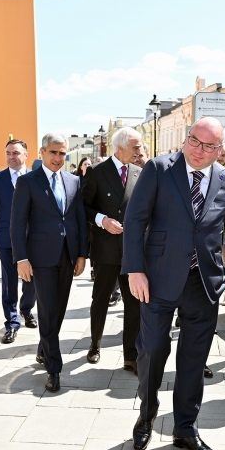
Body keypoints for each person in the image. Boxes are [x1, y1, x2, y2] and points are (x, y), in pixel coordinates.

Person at [123, 117, 225, 450]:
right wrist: (135, 270)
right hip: (157, 279)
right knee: (151, 352)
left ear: (220, 150)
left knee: (194, 360)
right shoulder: (159, 169)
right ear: (186, 137)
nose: (198, 150)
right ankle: (146, 416)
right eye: (194, 141)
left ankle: (185, 428)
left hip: (203, 284)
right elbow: (135, 220)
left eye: (209, 146)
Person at [11, 133, 88, 392]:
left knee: (58, 310)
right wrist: (21, 258)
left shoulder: (74, 181)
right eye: (53, 152)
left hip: (68, 255)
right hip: (40, 258)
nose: (58, 158)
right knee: (46, 310)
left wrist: (82, 254)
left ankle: (44, 348)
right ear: (42, 152)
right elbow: (17, 223)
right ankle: (54, 368)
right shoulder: (27, 182)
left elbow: (79, 219)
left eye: (63, 153)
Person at [83, 127, 143, 372]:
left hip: (132, 251)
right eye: (136, 147)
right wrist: (102, 220)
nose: (140, 151)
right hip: (106, 251)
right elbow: (83, 207)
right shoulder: (97, 172)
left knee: (133, 304)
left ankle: (131, 355)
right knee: (101, 300)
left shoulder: (140, 173)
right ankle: (95, 344)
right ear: (121, 148)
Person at [0, 140, 37, 343]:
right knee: (9, 282)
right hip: (6, 240)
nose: (11, 156)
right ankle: (12, 323)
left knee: (32, 281)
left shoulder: (35, 178)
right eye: (8, 153)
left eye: (16, 153)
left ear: (26, 154)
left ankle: (26, 309)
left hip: (33, 239)